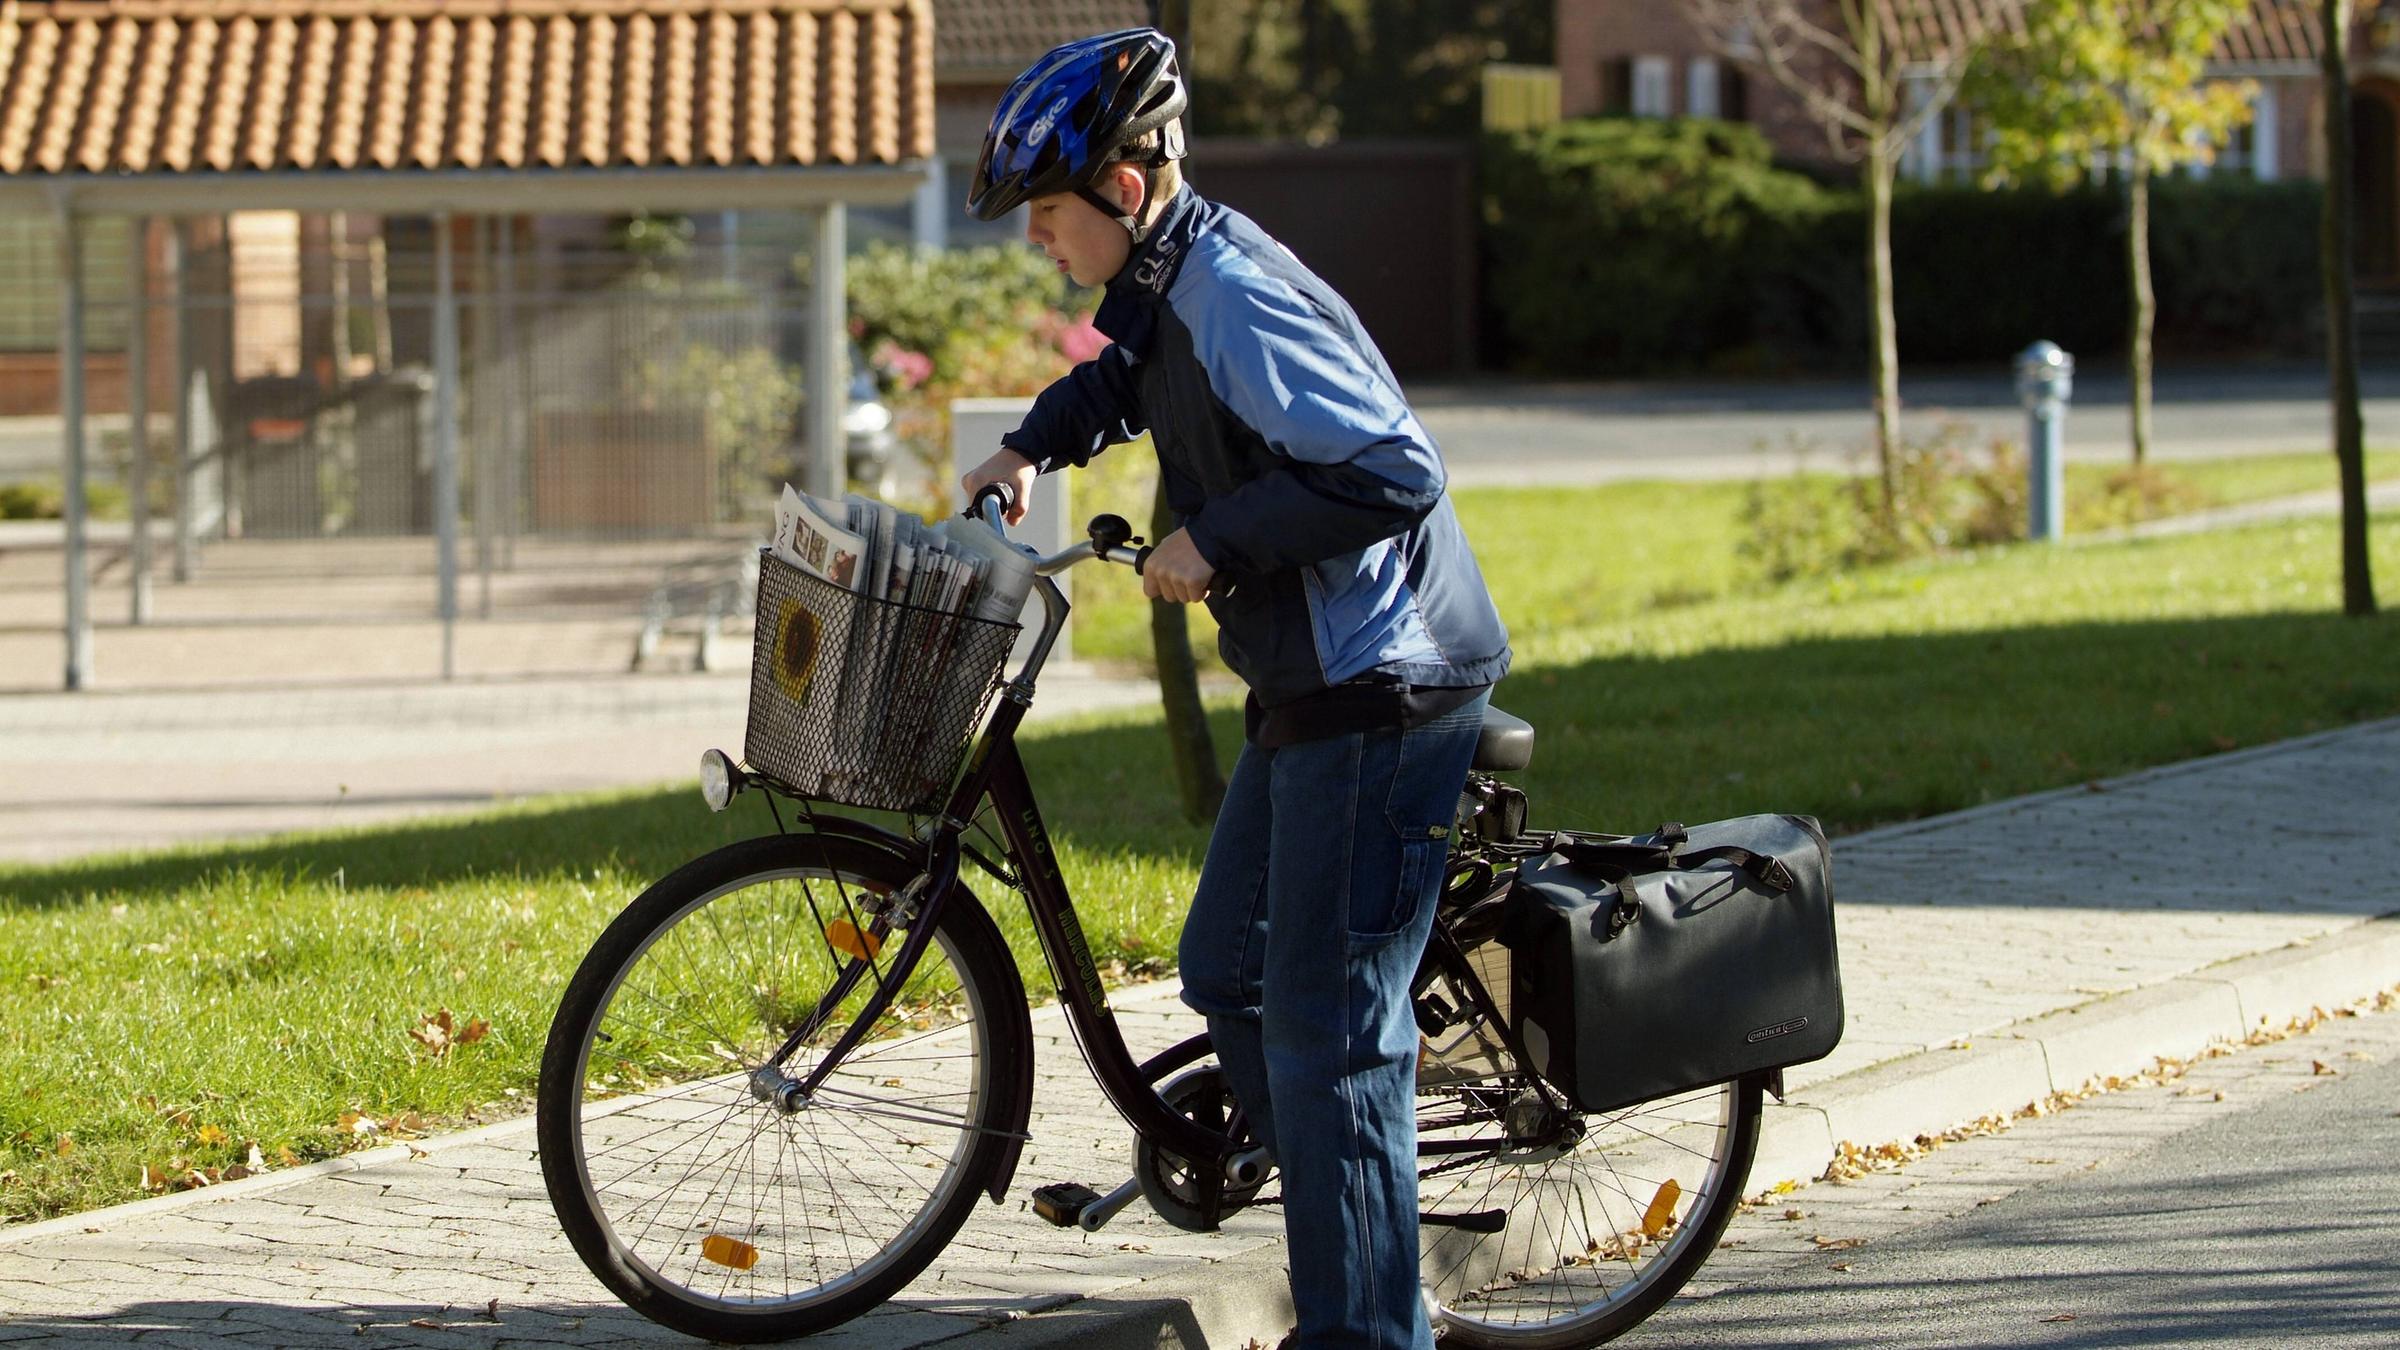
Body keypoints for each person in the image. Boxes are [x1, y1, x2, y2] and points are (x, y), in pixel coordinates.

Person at [959, 29, 1511, 1350]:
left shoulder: (1233, 293)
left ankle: (1366, 1324)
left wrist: (1218, 538)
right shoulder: (1172, 279)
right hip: (1314, 681)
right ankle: (1343, 1211)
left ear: (1124, 189)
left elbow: (1393, 471)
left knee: (1333, 1029)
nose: (1036, 236)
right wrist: (1033, 444)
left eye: (1047, 210)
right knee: (1229, 967)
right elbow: (1131, 377)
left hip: (1384, 683)